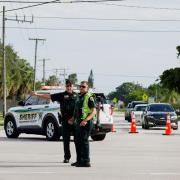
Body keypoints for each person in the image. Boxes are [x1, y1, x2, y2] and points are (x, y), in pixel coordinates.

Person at [32, 80, 77, 163]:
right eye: (67, 86)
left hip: (75, 121)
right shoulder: (62, 95)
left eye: (70, 86)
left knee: (77, 141)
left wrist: (74, 118)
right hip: (65, 121)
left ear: (73, 86)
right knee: (66, 141)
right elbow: (49, 97)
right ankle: (67, 157)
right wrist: (37, 94)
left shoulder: (77, 96)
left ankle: (79, 158)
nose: (69, 87)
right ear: (65, 87)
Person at [72, 81, 96, 167]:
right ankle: (79, 160)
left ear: (87, 88)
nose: (81, 88)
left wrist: (86, 120)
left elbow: (94, 111)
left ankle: (86, 161)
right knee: (77, 141)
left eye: (83, 86)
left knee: (84, 141)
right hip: (79, 122)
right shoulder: (79, 96)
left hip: (86, 122)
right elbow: (76, 109)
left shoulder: (89, 97)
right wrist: (73, 118)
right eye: (80, 86)